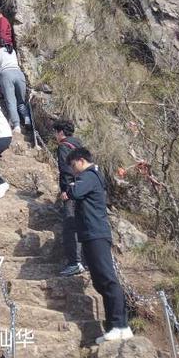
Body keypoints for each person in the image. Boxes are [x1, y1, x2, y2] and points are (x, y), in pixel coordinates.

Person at [67, 147, 133, 343]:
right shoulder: (91, 176)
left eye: (73, 165)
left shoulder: (88, 176)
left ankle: (121, 325)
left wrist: (71, 186)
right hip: (92, 234)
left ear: (80, 161)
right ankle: (114, 327)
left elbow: (74, 192)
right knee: (100, 281)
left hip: (95, 233)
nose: (73, 170)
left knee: (107, 279)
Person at [53, 120, 86, 277]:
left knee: (70, 225)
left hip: (72, 190)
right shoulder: (79, 145)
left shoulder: (64, 146)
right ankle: (85, 261)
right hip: (85, 189)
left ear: (60, 132)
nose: (55, 136)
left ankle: (75, 263)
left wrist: (66, 190)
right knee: (82, 223)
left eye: (55, 132)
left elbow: (66, 169)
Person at [0, 39, 30, 134]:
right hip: (19, 74)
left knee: (11, 102)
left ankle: (17, 126)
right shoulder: (12, 51)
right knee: (21, 102)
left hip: (6, 75)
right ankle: (27, 121)